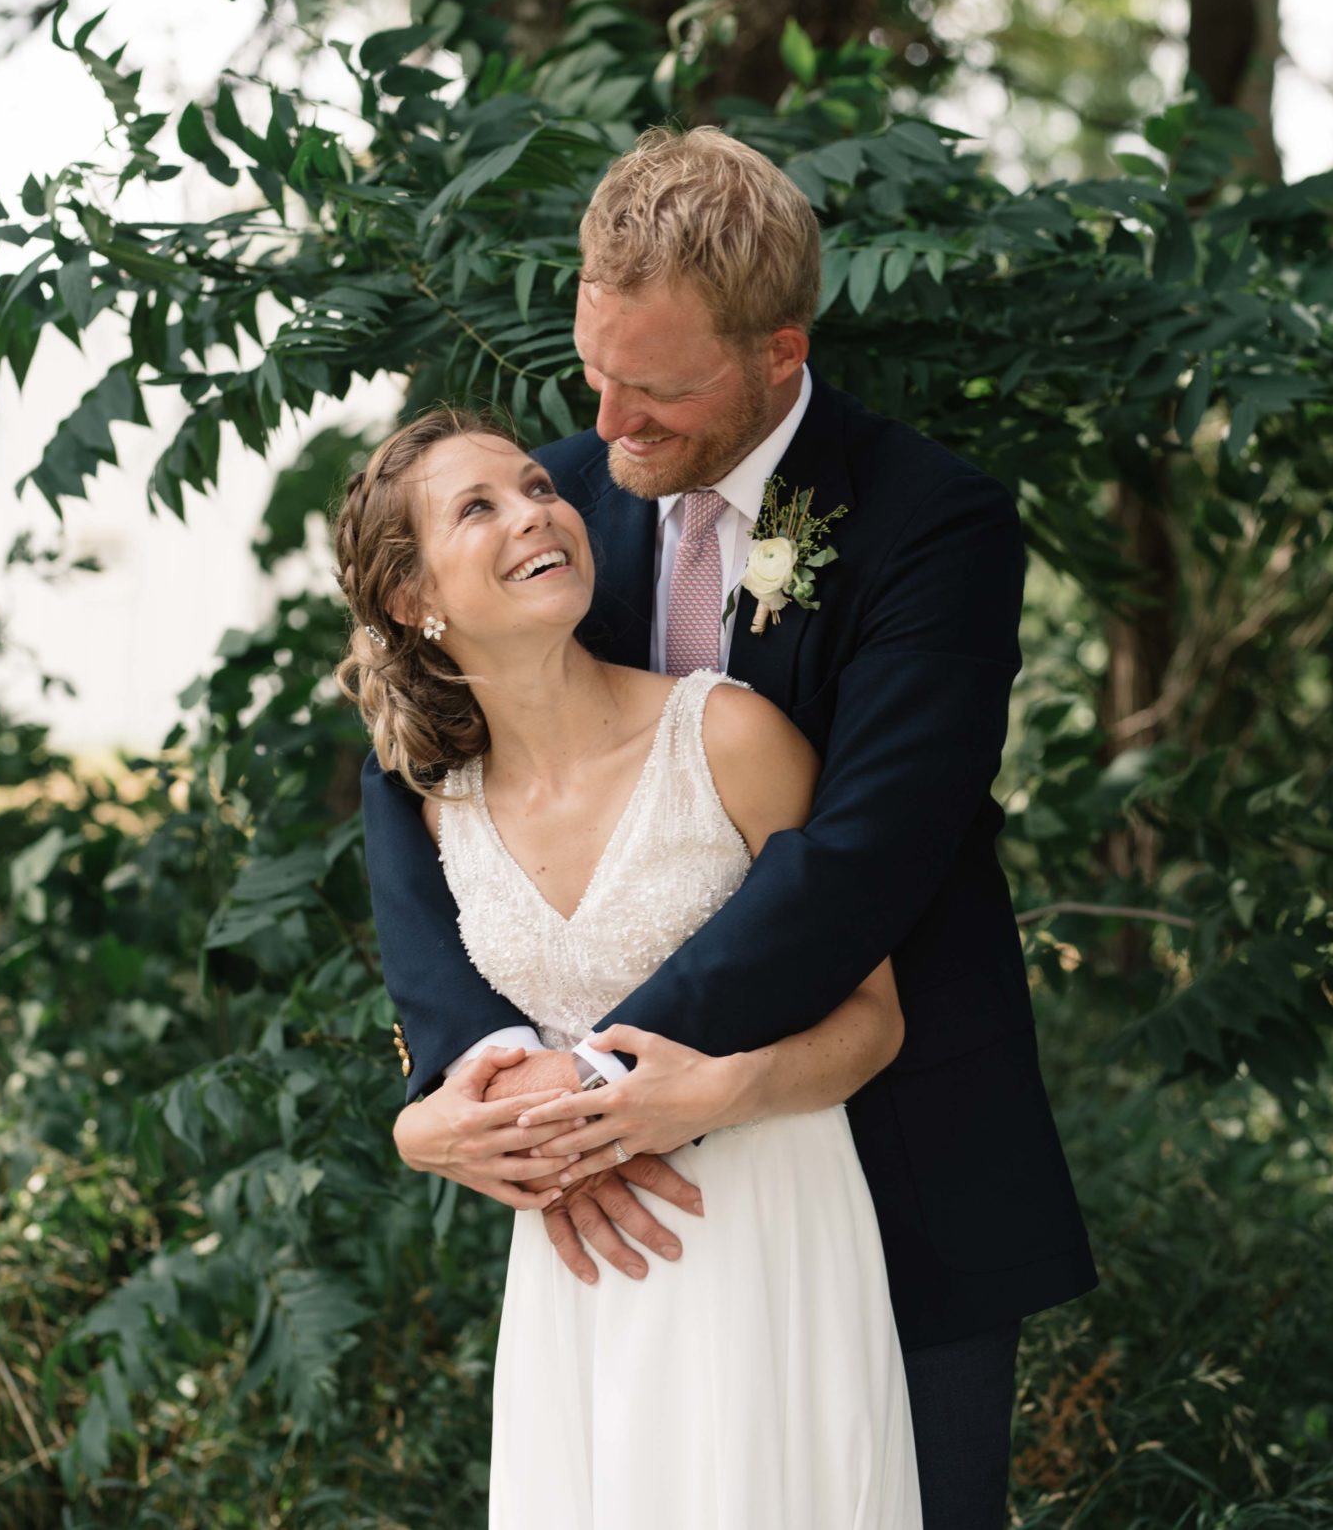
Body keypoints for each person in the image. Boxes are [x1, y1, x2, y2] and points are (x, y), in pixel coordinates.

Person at [359, 126, 1095, 1528]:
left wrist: (604, 1090)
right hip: (618, 1213)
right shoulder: (552, 501)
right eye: (598, 372)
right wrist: (474, 1072)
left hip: (895, 1146)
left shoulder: (934, 526)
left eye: (663, 389)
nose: (613, 422)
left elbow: (865, 853)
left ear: (778, 351)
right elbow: (413, 760)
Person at [336, 406, 922, 1527]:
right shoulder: (431, 804)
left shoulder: (728, 737)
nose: (534, 510)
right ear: (417, 602)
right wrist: (432, 1132)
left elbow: (872, 1015)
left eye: (534, 487)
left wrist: (719, 1090)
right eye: (479, 507)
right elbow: (445, 1047)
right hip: (578, 1263)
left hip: (761, 1225)